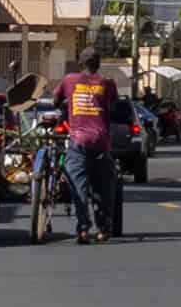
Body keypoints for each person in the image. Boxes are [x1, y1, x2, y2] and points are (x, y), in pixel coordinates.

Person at [56, 60, 131, 243]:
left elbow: (55, 101)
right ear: (98, 64)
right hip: (101, 143)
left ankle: (83, 229)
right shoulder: (107, 82)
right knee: (104, 188)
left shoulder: (69, 80)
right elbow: (113, 103)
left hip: (78, 142)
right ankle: (103, 230)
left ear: (81, 63)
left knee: (78, 187)